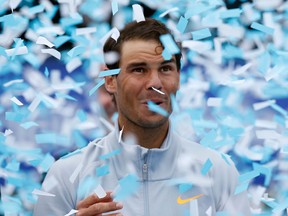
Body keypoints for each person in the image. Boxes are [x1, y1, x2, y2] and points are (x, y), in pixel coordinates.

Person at [34, 18, 251, 216]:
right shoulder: (66, 175)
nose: (155, 84)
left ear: (179, 78)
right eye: (139, 70)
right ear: (110, 81)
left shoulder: (219, 171)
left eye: (166, 68)